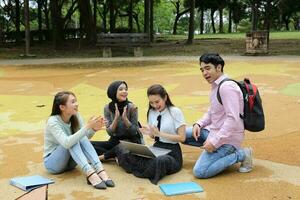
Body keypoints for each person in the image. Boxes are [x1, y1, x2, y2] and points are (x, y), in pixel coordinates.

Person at [184, 53, 253, 179]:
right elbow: (212, 111)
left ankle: (241, 154)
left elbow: (233, 119)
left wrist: (214, 143)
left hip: (227, 140)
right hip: (213, 131)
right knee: (181, 133)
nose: (204, 73)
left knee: (200, 172)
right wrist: (199, 124)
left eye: (208, 68)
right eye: (202, 70)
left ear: (219, 67)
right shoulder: (216, 86)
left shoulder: (226, 87)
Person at [116, 84, 186, 184]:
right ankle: (144, 166)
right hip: (157, 148)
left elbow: (182, 138)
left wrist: (160, 134)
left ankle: (134, 166)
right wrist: (150, 133)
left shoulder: (175, 112)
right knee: (122, 147)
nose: (155, 105)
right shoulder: (152, 112)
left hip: (172, 152)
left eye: (157, 102)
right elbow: (153, 136)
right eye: (151, 103)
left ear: (165, 97)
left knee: (161, 161)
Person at [43, 91, 115, 189]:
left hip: (71, 163)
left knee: (79, 137)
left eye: (76, 101)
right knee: (72, 139)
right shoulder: (53, 121)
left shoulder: (76, 115)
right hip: (54, 164)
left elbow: (84, 137)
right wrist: (87, 126)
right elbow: (66, 143)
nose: (76, 104)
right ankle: (90, 173)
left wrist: (93, 129)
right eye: (72, 102)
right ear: (62, 107)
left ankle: (99, 169)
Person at [91, 81, 143, 161]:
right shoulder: (107, 108)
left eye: (126, 89)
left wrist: (125, 119)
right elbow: (110, 132)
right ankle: (114, 156)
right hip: (115, 140)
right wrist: (116, 118)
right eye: (121, 89)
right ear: (113, 92)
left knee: (122, 146)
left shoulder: (132, 107)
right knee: (88, 144)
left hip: (130, 141)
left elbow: (134, 132)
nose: (124, 91)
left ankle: (104, 157)